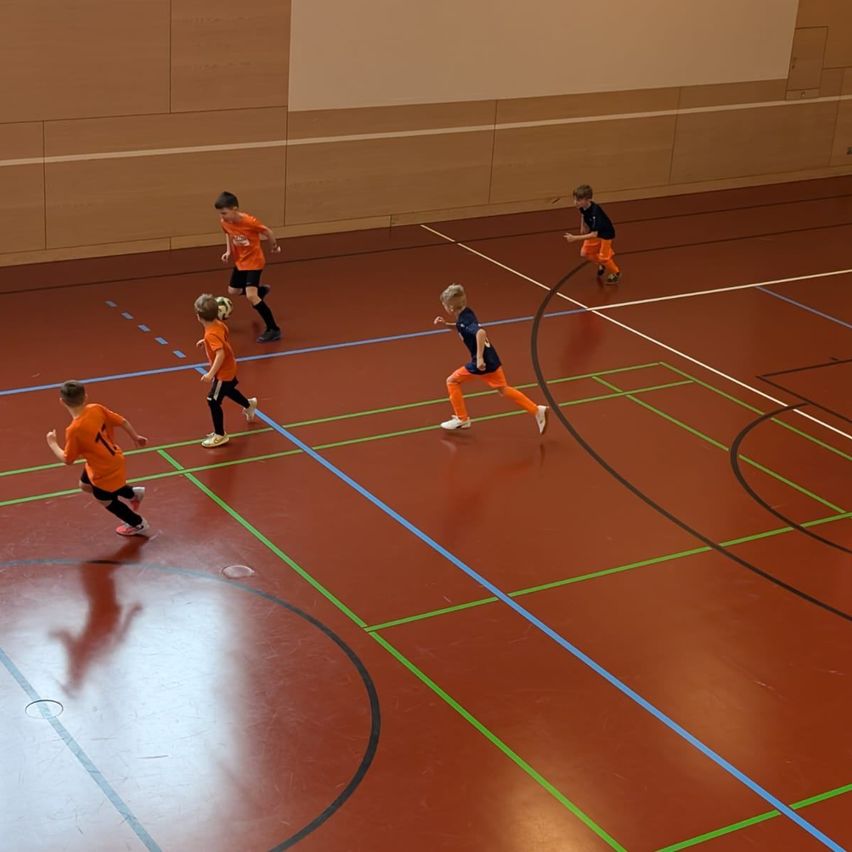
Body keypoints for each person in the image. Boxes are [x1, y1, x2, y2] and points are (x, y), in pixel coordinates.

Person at [433, 283, 547, 433]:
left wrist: (479, 358)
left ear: (451, 308)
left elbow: (480, 333)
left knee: (452, 381)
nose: (445, 308)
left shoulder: (464, 320)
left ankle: (462, 419)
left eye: (445, 306)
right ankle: (537, 410)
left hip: (483, 362)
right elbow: (462, 327)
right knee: (503, 390)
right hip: (491, 358)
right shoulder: (466, 314)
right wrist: (447, 325)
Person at [46, 381, 150, 536]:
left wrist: (52, 443)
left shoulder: (74, 430)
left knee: (105, 499)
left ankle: (138, 523)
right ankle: (133, 493)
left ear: (62, 402)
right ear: (85, 397)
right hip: (109, 459)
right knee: (84, 485)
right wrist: (135, 437)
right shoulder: (96, 408)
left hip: (103, 470)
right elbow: (122, 421)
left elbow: (68, 459)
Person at [214, 190, 282, 342]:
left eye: (224, 213)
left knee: (251, 296)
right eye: (220, 214)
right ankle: (261, 291)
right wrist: (228, 251)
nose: (222, 217)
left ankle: (273, 329)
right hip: (240, 261)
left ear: (234, 209)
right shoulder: (225, 222)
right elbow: (228, 234)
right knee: (233, 290)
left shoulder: (249, 221)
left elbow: (267, 232)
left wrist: (274, 246)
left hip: (254, 261)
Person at [196, 293, 258, 448]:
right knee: (228, 390)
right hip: (230, 366)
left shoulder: (211, 333)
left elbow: (220, 354)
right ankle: (249, 405)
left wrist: (210, 374)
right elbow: (223, 336)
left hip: (223, 372)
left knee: (213, 400)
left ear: (199, 316)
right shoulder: (218, 324)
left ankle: (220, 435)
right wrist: (206, 342)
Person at [563, 184, 621, 283]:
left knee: (604, 258)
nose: (575, 202)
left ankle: (616, 272)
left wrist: (575, 238)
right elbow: (583, 214)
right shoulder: (582, 207)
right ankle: (602, 264)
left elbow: (594, 234)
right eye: (575, 199)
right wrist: (583, 226)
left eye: (578, 200)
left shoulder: (595, 213)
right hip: (594, 232)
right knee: (585, 253)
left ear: (587, 200)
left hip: (605, 235)